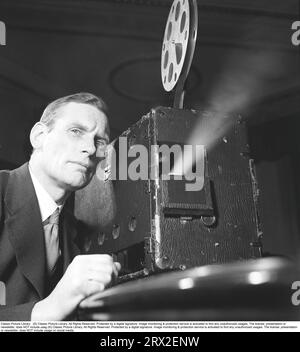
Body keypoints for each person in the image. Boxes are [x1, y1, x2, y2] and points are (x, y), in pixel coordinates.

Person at [0, 92, 121, 321]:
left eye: (100, 141)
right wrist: (47, 310)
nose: (91, 149)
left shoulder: (75, 231)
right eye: (76, 131)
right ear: (39, 136)